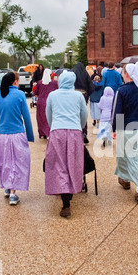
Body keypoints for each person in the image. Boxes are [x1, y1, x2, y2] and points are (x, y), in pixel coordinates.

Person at [45, 71, 88, 218]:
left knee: (59, 165)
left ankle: (65, 202)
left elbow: (48, 115)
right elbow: (84, 115)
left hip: (57, 131)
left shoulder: (53, 95)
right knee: (73, 163)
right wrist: (79, 127)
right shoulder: (78, 96)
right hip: (74, 131)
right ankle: (71, 191)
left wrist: (53, 128)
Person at [0, 72, 34, 206]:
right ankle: (13, 194)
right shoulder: (20, 95)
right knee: (17, 163)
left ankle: (7, 187)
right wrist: (30, 135)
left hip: (1, 135)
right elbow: (26, 117)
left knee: (4, 161)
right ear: (15, 81)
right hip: (17, 134)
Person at [112, 64, 138, 203]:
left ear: (127, 74)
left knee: (124, 157)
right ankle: (135, 185)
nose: (122, 75)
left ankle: (130, 182)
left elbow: (117, 112)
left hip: (126, 129)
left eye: (123, 73)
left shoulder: (122, 91)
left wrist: (114, 129)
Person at [72, 62, 95, 144]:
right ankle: (84, 133)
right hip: (83, 95)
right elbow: (91, 85)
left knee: (75, 114)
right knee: (83, 113)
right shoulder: (84, 73)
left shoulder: (73, 73)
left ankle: (76, 134)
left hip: (74, 95)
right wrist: (87, 94)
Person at [33, 68, 59, 139]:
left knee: (41, 119)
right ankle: (49, 132)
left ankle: (42, 133)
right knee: (50, 118)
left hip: (41, 102)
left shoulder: (39, 83)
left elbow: (35, 93)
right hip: (51, 102)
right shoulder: (54, 83)